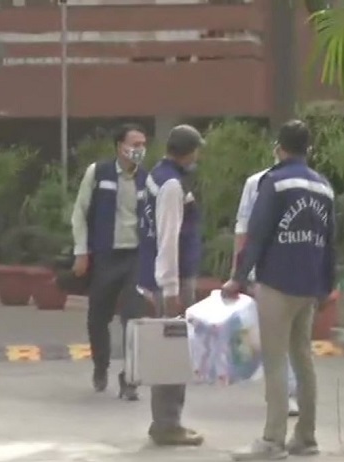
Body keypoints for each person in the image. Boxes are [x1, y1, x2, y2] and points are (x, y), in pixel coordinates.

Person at [222, 120, 336, 461]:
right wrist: (327, 285)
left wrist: (238, 277)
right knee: (303, 359)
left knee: (275, 360)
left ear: (280, 147)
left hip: (277, 283)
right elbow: (330, 243)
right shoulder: (324, 187)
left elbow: (258, 233)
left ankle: (272, 441)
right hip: (309, 286)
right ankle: (306, 437)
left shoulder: (274, 182)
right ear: (308, 148)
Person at [135, 124, 205, 446]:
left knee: (168, 350)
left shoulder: (154, 175)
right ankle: (168, 423)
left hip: (156, 276)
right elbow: (167, 237)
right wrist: (172, 289)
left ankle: (164, 421)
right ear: (189, 152)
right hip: (171, 280)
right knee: (174, 353)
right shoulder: (171, 185)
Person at [71, 123, 148, 400]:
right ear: (120, 146)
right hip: (105, 255)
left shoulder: (147, 179)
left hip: (135, 257)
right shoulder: (99, 173)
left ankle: (130, 377)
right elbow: (79, 212)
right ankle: (100, 366)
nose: (140, 150)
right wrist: (81, 251)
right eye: (135, 144)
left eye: (143, 144)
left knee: (133, 318)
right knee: (98, 317)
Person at [232, 168, 300, 418]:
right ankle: (286, 395)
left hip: (296, 270)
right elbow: (244, 228)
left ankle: (289, 394)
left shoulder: (311, 182)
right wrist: (238, 273)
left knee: (294, 339)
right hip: (266, 271)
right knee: (276, 338)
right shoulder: (257, 182)